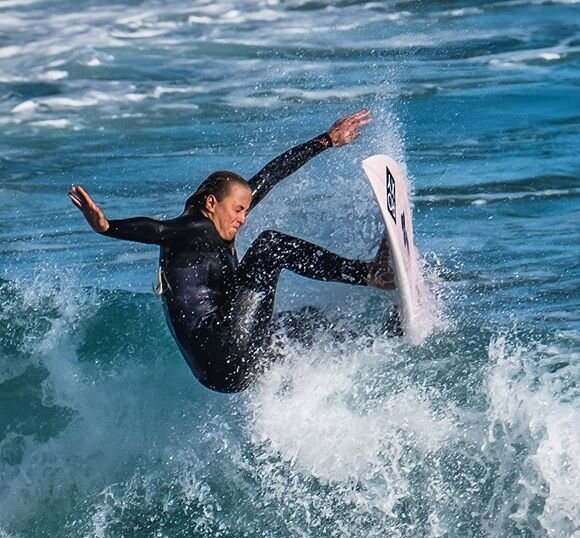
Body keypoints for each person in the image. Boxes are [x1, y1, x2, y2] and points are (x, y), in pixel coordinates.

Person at [69, 108, 394, 393]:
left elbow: (270, 176)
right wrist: (107, 226)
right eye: (238, 209)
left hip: (222, 371)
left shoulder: (213, 228)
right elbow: (158, 230)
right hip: (226, 349)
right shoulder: (196, 230)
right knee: (271, 246)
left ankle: (381, 339)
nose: (243, 218)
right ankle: (370, 275)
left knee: (303, 324)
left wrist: (325, 141)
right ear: (211, 204)